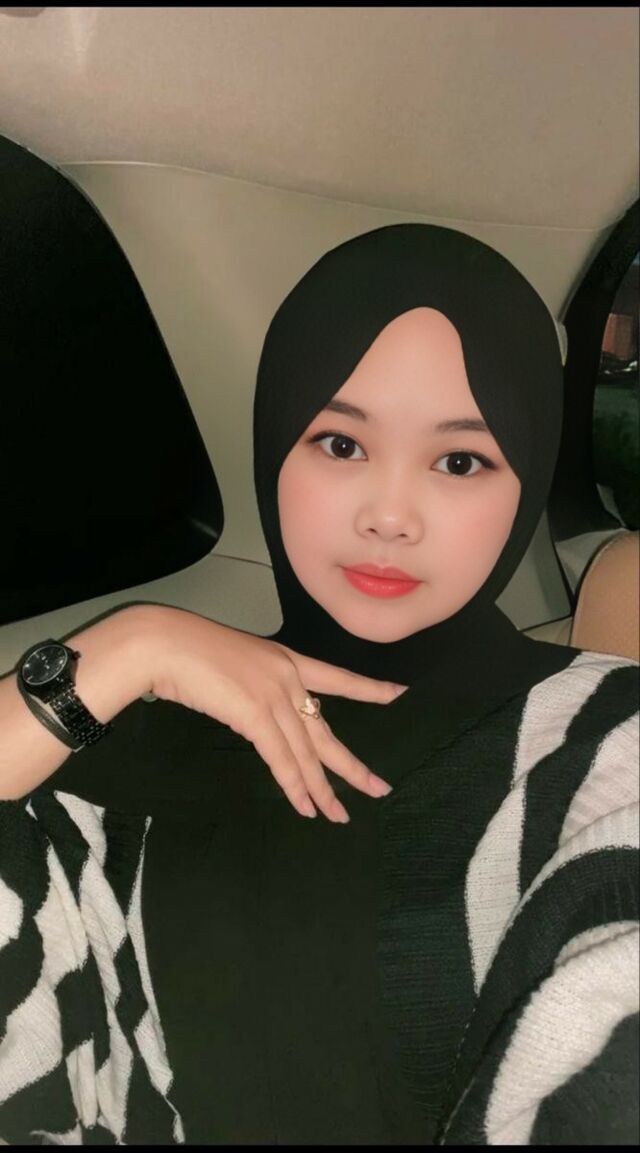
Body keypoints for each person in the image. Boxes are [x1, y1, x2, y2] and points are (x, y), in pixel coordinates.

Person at [0, 224, 638, 1146]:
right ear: (275, 447)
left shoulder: (596, 737)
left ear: (527, 479)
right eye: (340, 444)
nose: (389, 515)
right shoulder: (140, 736)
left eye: (460, 461)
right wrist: (133, 645)